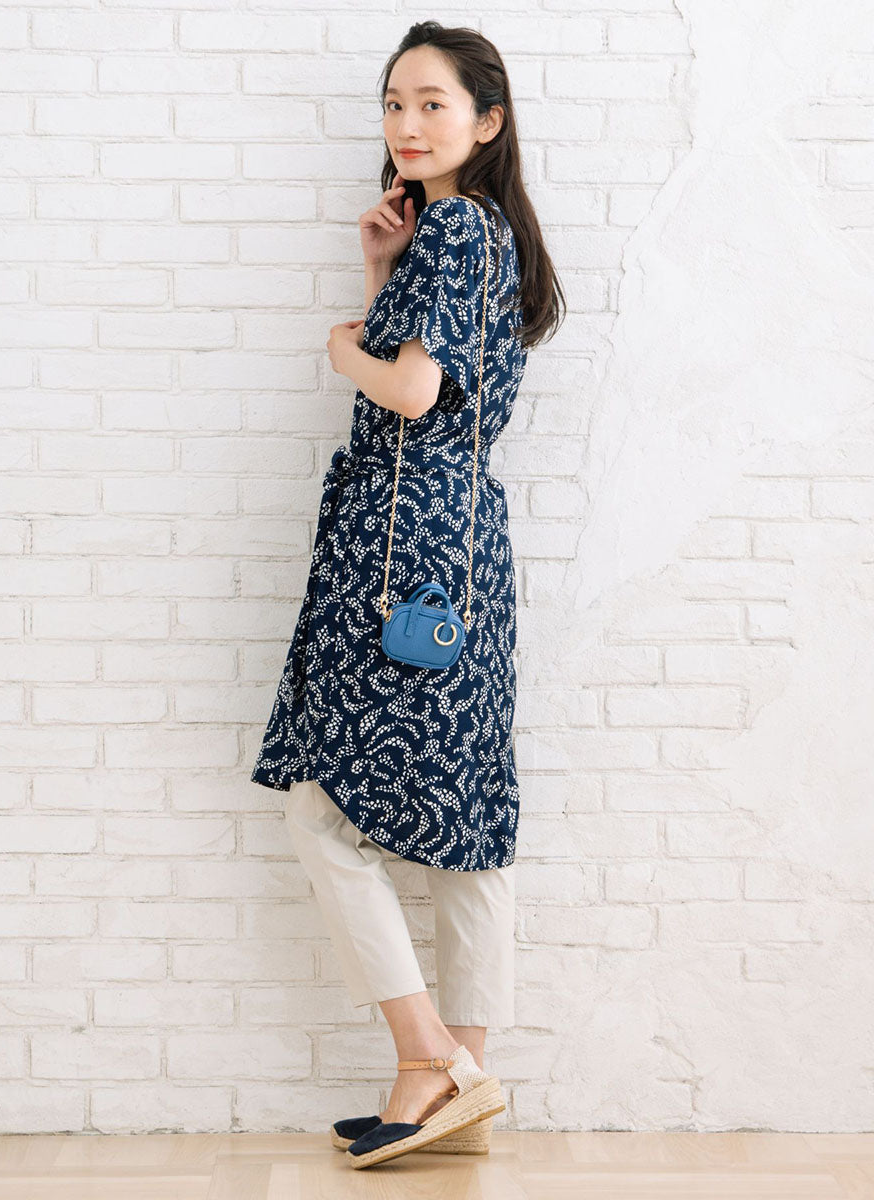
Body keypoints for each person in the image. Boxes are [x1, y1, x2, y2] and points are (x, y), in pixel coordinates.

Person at [251, 20, 563, 1164]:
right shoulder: (480, 235)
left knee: (323, 809)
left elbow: (414, 391)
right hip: (460, 539)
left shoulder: (459, 227)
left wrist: (343, 346)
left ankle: (431, 1058)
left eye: (432, 103)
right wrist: (383, 271)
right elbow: (445, 377)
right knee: (467, 817)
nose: (407, 124)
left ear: (487, 120)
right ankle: (456, 1087)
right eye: (394, 104)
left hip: (405, 542)